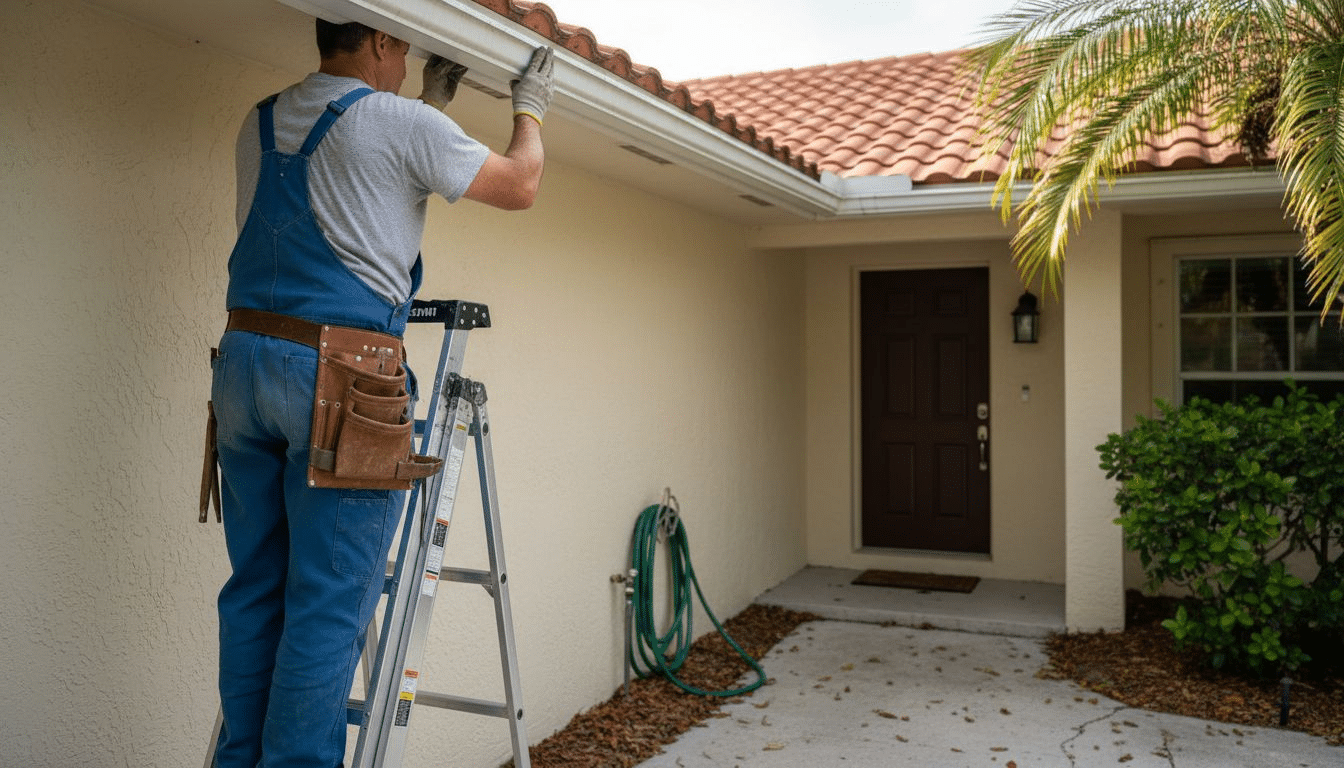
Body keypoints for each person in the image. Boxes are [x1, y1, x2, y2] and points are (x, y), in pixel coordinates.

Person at [206, 18, 554, 768]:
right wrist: (532, 106)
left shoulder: (260, 119)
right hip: (341, 380)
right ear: (383, 40)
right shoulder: (397, 121)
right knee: (327, 606)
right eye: (403, 49)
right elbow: (519, 184)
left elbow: (365, 175)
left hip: (242, 368)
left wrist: (432, 100)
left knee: (255, 589)